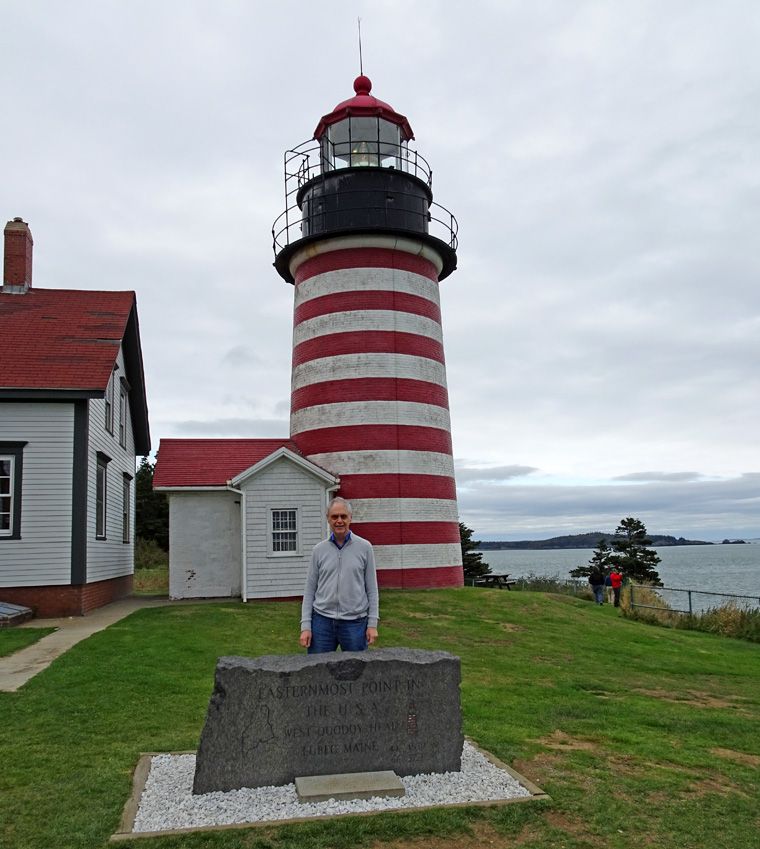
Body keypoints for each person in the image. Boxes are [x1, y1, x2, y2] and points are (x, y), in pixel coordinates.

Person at [300, 497, 379, 653]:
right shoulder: (319, 550)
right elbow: (310, 590)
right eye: (334, 517)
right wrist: (306, 626)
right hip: (322, 622)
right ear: (328, 519)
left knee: (356, 673)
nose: (339, 521)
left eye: (343, 516)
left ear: (351, 518)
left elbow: (372, 589)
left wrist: (372, 624)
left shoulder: (365, 548)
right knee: (317, 672)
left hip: (355, 623)